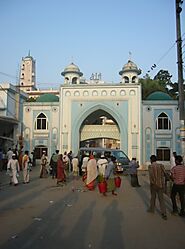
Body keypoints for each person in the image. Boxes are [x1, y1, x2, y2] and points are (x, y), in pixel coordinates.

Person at [147, 155, 167, 220]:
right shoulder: (161, 165)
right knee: (161, 199)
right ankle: (164, 213)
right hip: (160, 184)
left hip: (153, 185)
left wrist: (153, 182)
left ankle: (151, 209)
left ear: (151, 160)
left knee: (153, 197)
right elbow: (165, 174)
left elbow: (151, 176)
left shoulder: (150, 166)